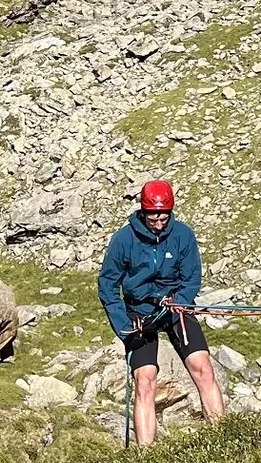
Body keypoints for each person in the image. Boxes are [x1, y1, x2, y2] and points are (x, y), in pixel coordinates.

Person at [97, 178, 226, 443]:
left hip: (175, 308)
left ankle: (222, 436)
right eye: (153, 218)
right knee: (145, 379)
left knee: (203, 367)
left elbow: (191, 278)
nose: (158, 223)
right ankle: (146, 456)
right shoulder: (123, 240)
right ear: (142, 212)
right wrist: (124, 327)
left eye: (163, 218)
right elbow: (108, 286)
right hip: (140, 314)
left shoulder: (182, 235)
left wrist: (180, 300)